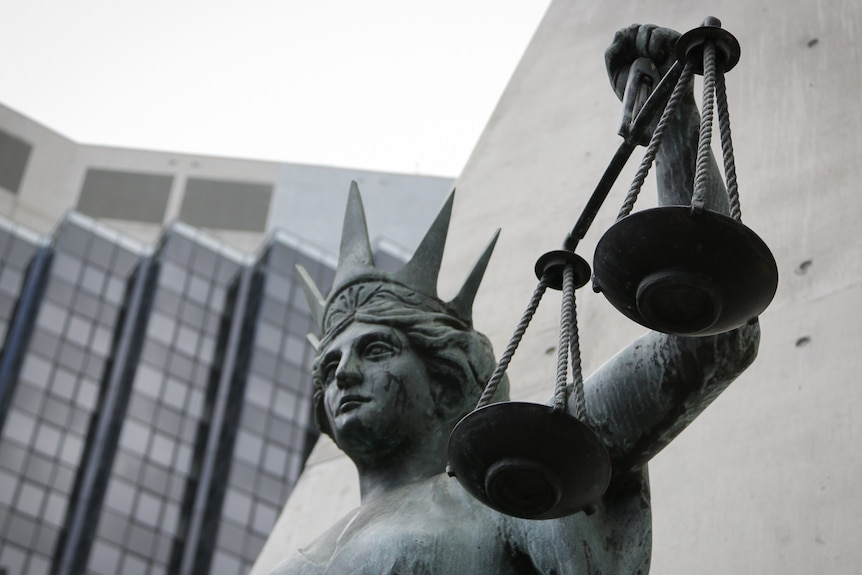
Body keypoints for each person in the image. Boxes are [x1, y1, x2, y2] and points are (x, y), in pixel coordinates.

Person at [271, 24, 761, 574]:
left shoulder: (519, 467)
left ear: (446, 378)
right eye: (330, 365)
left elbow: (712, 337)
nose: (344, 375)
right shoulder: (299, 559)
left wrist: (674, 129)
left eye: (377, 350)